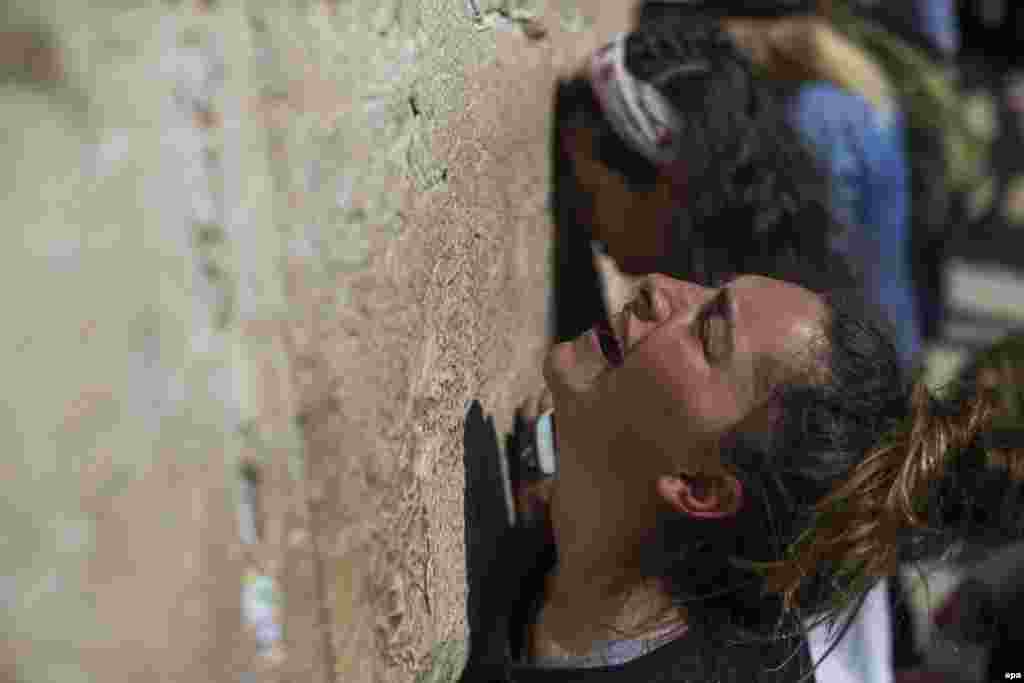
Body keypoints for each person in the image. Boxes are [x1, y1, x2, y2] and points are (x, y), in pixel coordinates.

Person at [459, 264, 1024, 682]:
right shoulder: (569, 561)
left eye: (707, 334)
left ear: (699, 488)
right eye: (709, 292)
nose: (657, 288)